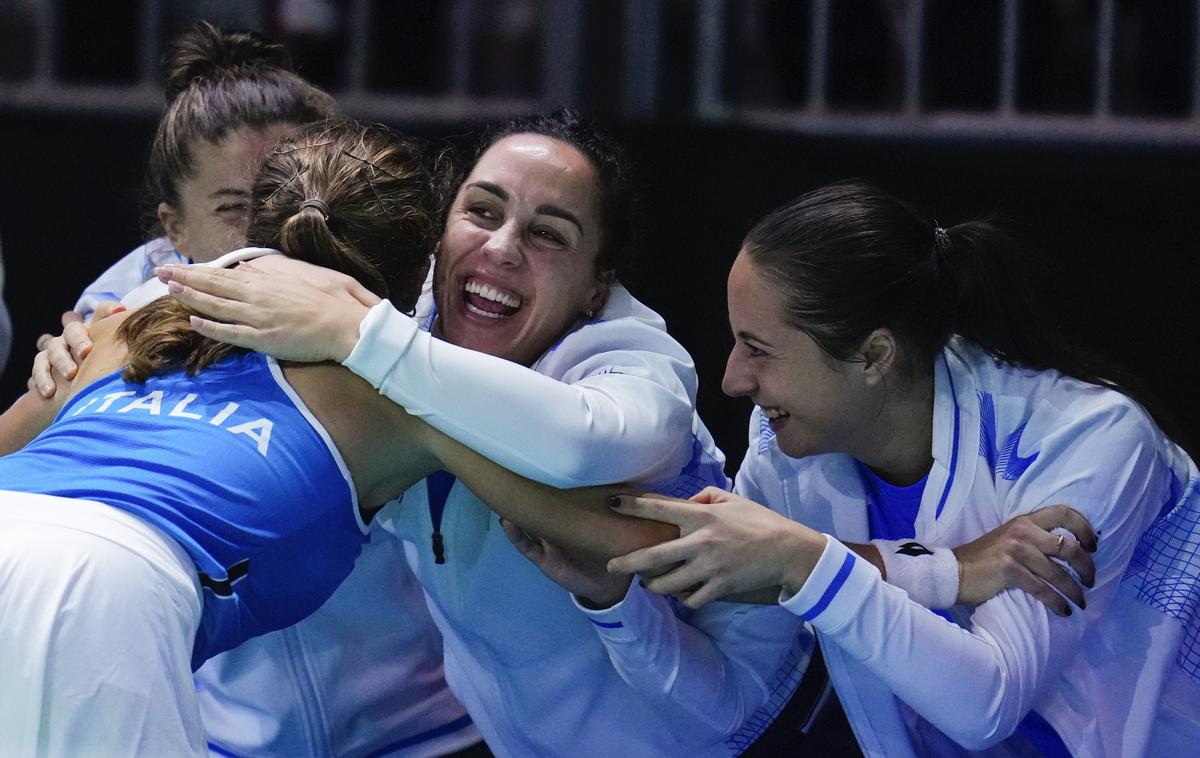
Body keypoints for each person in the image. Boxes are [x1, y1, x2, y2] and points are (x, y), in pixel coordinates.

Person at [0, 119, 681, 757]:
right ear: (421, 270)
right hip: (98, 593)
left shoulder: (129, 318)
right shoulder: (398, 395)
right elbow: (621, 539)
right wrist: (774, 561)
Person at [605, 180, 1200, 756]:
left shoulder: (1086, 438)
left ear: (873, 356)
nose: (733, 380)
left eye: (758, 350)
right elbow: (733, 706)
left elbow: (987, 703)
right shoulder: (787, 461)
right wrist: (613, 606)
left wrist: (805, 558)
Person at [29, 22, 484, 758]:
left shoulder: (409, 306)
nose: (279, 228)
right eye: (238, 205)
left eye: (294, 193)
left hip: (424, 726)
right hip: (230, 738)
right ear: (172, 229)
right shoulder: (117, 308)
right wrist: (61, 371)